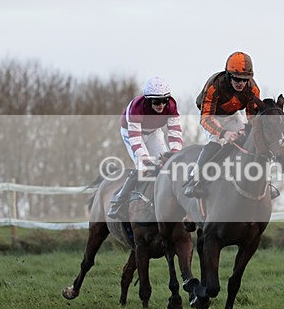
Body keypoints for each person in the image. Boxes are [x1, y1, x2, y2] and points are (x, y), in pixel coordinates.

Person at [183, 51, 261, 198]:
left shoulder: (253, 89)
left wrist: (247, 130)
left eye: (245, 80)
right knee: (217, 140)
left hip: (232, 115)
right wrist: (224, 133)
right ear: (228, 75)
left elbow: (252, 118)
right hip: (212, 116)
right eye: (237, 79)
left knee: (249, 140)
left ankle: (259, 182)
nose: (241, 84)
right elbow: (206, 118)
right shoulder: (215, 85)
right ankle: (194, 178)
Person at [108, 77, 183, 218]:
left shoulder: (171, 106)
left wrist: (175, 153)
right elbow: (135, 139)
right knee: (143, 168)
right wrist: (145, 159)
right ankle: (118, 201)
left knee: (167, 166)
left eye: (164, 100)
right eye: (156, 101)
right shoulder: (137, 107)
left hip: (154, 131)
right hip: (132, 132)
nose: (161, 105)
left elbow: (175, 132)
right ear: (148, 100)